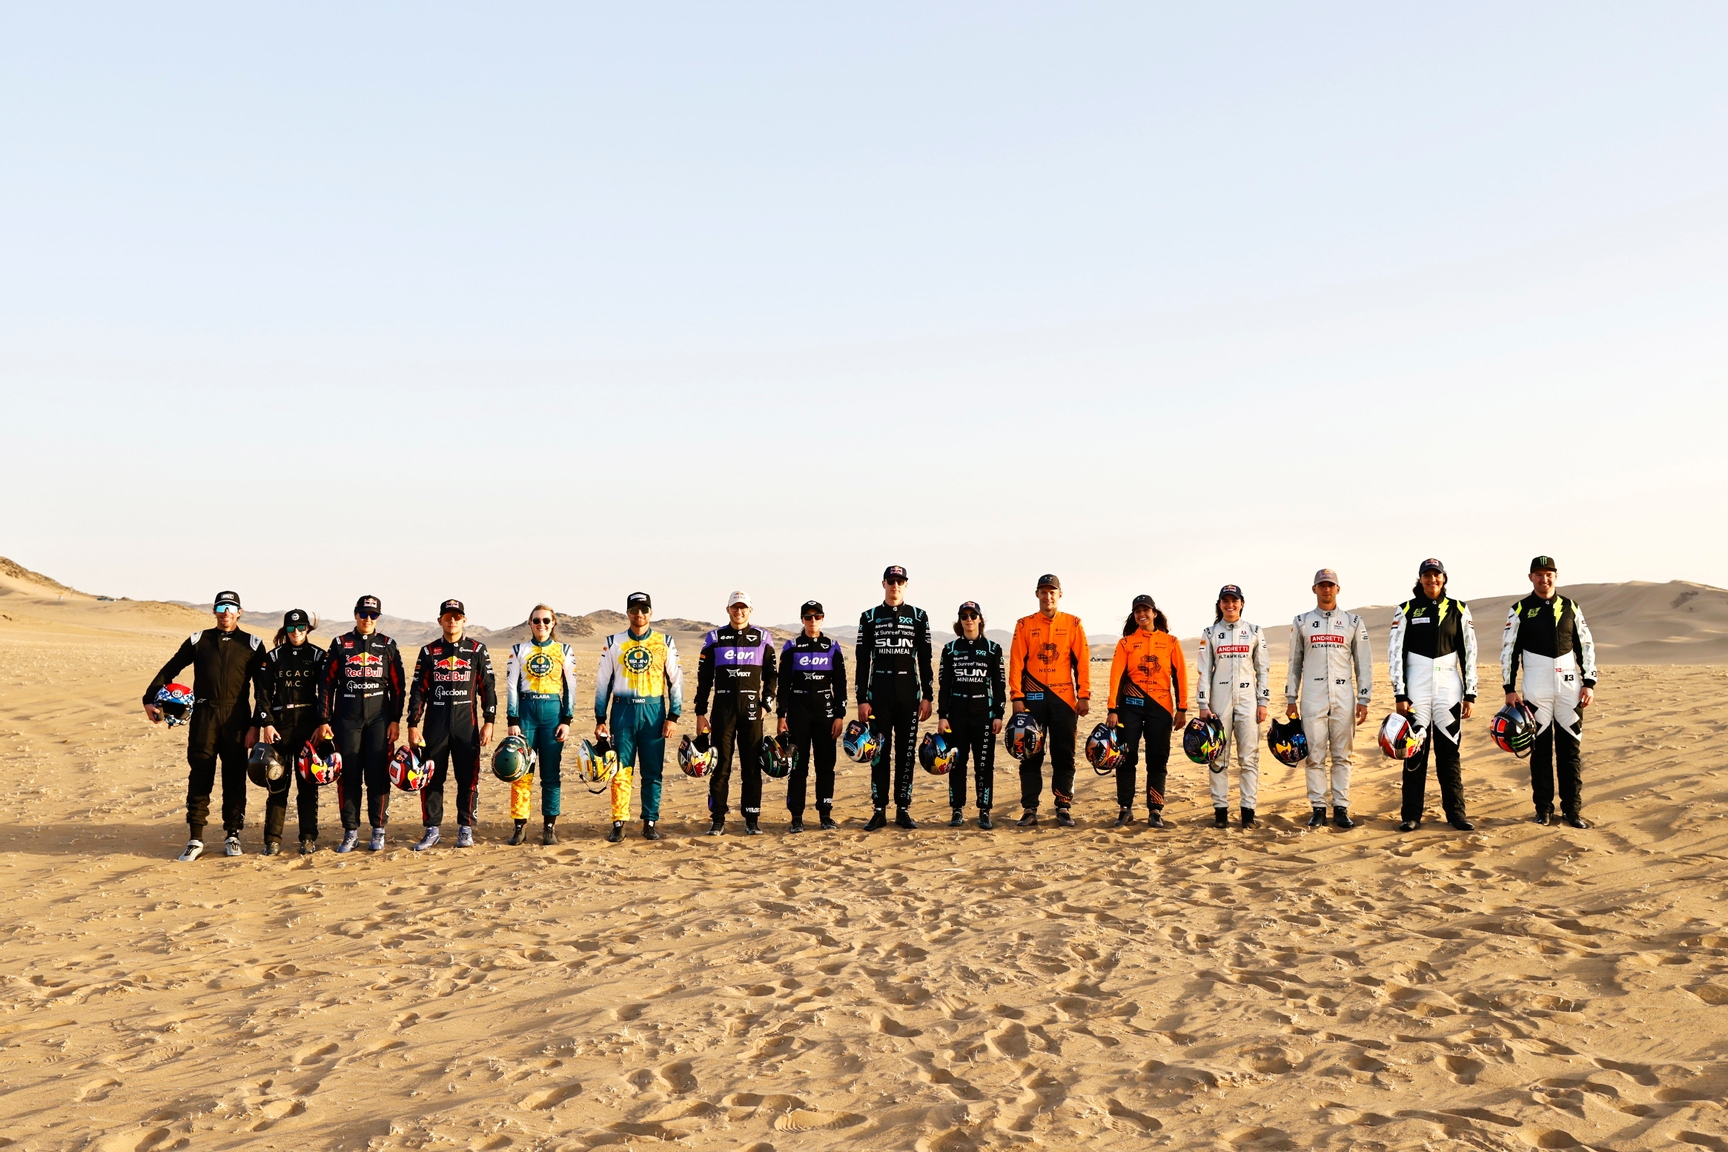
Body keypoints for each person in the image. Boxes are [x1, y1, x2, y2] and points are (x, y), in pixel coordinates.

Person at [143, 590, 267, 860]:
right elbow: (171, 668)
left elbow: (263, 690)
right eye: (221, 607)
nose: (225, 612)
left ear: (239, 612)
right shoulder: (199, 640)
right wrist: (149, 697)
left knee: (234, 779)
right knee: (200, 775)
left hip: (237, 718)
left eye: (231, 607)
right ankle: (195, 837)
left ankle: (233, 835)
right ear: (214, 611)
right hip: (204, 716)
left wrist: (256, 724)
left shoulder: (253, 644)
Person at [1501, 556, 1597, 829]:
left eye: (1549, 574)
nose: (1545, 579)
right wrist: (1509, 689)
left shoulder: (1570, 607)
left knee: (1570, 751)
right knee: (1540, 752)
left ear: (1556, 576)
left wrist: (1589, 682)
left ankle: (1572, 810)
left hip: (1570, 688)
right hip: (1536, 690)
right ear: (1531, 577)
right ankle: (1543, 809)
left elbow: (1585, 645)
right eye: (1539, 574)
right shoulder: (1519, 609)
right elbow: (1509, 650)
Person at [1389, 560, 1479, 832]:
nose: (1432, 580)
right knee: (1414, 751)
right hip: (1416, 686)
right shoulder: (1406, 610)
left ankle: (1456, 814)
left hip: (1449, 686)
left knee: (1449, 752)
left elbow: (1470, 652)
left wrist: (1470, 693)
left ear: (1444, 578)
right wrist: (1400, 692)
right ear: (1420, 579)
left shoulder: (1459, 609)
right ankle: (1411, 815)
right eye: (1427, 576)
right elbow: (1395, 653)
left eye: (1436, 575)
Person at [406, 599, 497, 851]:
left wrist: (489, 721)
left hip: (466, 724)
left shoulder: (477, 649)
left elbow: (487, 687)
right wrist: (413, 724)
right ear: (440, 621)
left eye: (457, 617)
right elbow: (418, 690)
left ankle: (465, 828)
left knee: (467, 778)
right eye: (448, 617)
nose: (452, 621)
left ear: (464, 620)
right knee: (431, 777)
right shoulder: (429, 652)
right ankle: (432, 829)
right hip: (434, 724)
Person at [318, 595, 405, 853]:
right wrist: (324, 720)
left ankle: (378, 830)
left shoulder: (387, 645)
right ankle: (351, 831)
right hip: (346, 719)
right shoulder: (340, 643)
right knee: (349, 776)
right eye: (363, 614)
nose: (368, 619)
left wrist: (395, 720)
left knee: (378, 775)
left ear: (378, 617)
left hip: (379, 720)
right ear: (355, 614)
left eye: (373, 615)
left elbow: (398, 687)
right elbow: (326, 684)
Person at [1286, 569, 1372, 829]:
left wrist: (1364, 698)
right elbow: (1294, 662)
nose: (1326, 589)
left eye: (1330, 585)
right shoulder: (1302, 621)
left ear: (1338, 589)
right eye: (1321, 585)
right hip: (1312, 696)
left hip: (1344, 695)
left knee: (1342, 754)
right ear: (1314, 589)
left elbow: (1363, 662)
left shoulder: (1353, 622)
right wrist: (1291, 697)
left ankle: (1341, 807)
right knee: (1314, 755)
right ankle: (1318, 808)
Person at [595, 592, 684, 842]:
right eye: (634, 610)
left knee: (652, 771)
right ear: (627, 613)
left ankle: (650, 821)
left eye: (644, 610)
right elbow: (603, 682)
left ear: (651, 613)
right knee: (621, 770)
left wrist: (673, 716)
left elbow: (675, 681)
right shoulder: (614, 642)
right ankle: (619, 822)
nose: (639, 614)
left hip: (654, 711)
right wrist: (600, 718)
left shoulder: (664, 641)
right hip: (623, 712)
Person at [855, 566, 935, 830]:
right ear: (884, 584)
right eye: (891, 581)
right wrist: (861, 699)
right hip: (878, 694)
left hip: (908, 694)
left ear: (906, 585)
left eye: (900, 581)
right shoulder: (869, 617)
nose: (895, 586)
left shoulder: (919, 616)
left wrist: (928, 695)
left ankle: (903, 808)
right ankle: (879, 809)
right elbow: (861, 660)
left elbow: (925, 658)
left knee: (906, 753)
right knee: (879, 752)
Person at [1009, 574, 1091, 828]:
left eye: (1052, 592)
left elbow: (1083, 663)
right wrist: (1016, 696)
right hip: (1032, 701)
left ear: (1060, 594)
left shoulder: (1074, 623)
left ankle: (1063, 806)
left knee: (1063, 754)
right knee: (1030, 754)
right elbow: (1015, 662)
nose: (1048, 597)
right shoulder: (1024, 625)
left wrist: (1084, 695)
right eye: (1043, 592)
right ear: (1037, 595)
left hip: (1064, 701)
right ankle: (1030, 808)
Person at [695, 591, 778, 836]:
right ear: (728, 609)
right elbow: (703, 679)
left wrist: (766, 704)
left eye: (743, 608)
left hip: (752, 709)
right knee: (720, 765)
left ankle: (752, 818)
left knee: (752, 766)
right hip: (723, 707)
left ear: (750, 610)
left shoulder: (763, 637)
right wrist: (700, 712)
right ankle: (718, 819)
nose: (739, 612)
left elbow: (772, 676)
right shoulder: (714, 638)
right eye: (734, 607)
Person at [1106, 594, 1188, 829]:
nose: (1142, 614)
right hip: (1130, 707)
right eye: (1137, 611)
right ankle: (1125, 809)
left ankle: (1155, 810)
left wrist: (1182, 708)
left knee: (1157, 759)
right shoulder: (1126, 643)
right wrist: (1113, 709)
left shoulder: (1171, 642)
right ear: (1134, 616)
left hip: (1160, 708)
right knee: (1125, 758)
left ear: (1154, 613)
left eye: (1146, 610)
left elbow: (1180, 676)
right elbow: (1116, 677)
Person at [1195, 585, 1269, 830]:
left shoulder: (1255, 631)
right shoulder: (1210, 633)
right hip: (1219, 701)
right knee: (1217, 757)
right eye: (1225, 601)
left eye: (1234, 601)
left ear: (1242, 603)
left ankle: (1248, 812)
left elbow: (1263, 670)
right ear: (1219, 604)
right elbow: (1204, 670)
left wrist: (1263, 702)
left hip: (1248, 700)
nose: (1230, 605)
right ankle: (1220, 812)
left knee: (1249, 758)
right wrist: (1203, 704)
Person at [255, 609, 328, 855]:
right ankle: (272, 840)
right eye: (291, 628)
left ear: (307, 629)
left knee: (308, 786)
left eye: (300, 628)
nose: (296, 633)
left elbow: (327, 692)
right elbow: (262, 693)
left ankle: (308, 838)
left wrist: (322, 723)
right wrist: (267, 723)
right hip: (280, 728)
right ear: (284, 630)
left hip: (309, 728)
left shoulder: (318, 656)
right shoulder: (273, 657)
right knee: (277, 784)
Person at [505, 605, 579, 846]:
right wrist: (513, 720)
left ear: (553, 623)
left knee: (550, 773)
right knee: (521, 771)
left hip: (552, 713)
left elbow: (570, 688)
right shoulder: (519, 650)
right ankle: (520, 826)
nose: (541, 625)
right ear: (530, 623)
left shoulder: (564, 650)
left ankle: (549, 826)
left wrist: (566, 721)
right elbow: (511, 685)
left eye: (546, 621)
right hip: (526, 713)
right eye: (536, 621)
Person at [777, 600, 847, 832]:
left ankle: (825, 814)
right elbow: (783, 683)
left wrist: (839, 715)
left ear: (823, 618)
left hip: (825, 712)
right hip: (798, 711)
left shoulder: (832, 646)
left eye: (817, 617)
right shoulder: (792, 646)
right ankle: (796, 816)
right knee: (798, 765)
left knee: (826, 765)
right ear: (802, 620)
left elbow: (841, 683)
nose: (813, 621)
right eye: (808, 617)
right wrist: (781, 714)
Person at [938, 601, 1005, 829]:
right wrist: (942, 715)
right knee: (957, 763)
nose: (968, 619)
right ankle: (957, 810)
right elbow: (944, 684)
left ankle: (984, 810)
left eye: (972, 615)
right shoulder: (950, 649)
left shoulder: (993, 649)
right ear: (960, 620)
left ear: (980, 619)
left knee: (984, 765)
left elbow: (999, 684)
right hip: (956, 717)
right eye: (964, 616)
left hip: (984, 716)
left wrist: (999, 714)